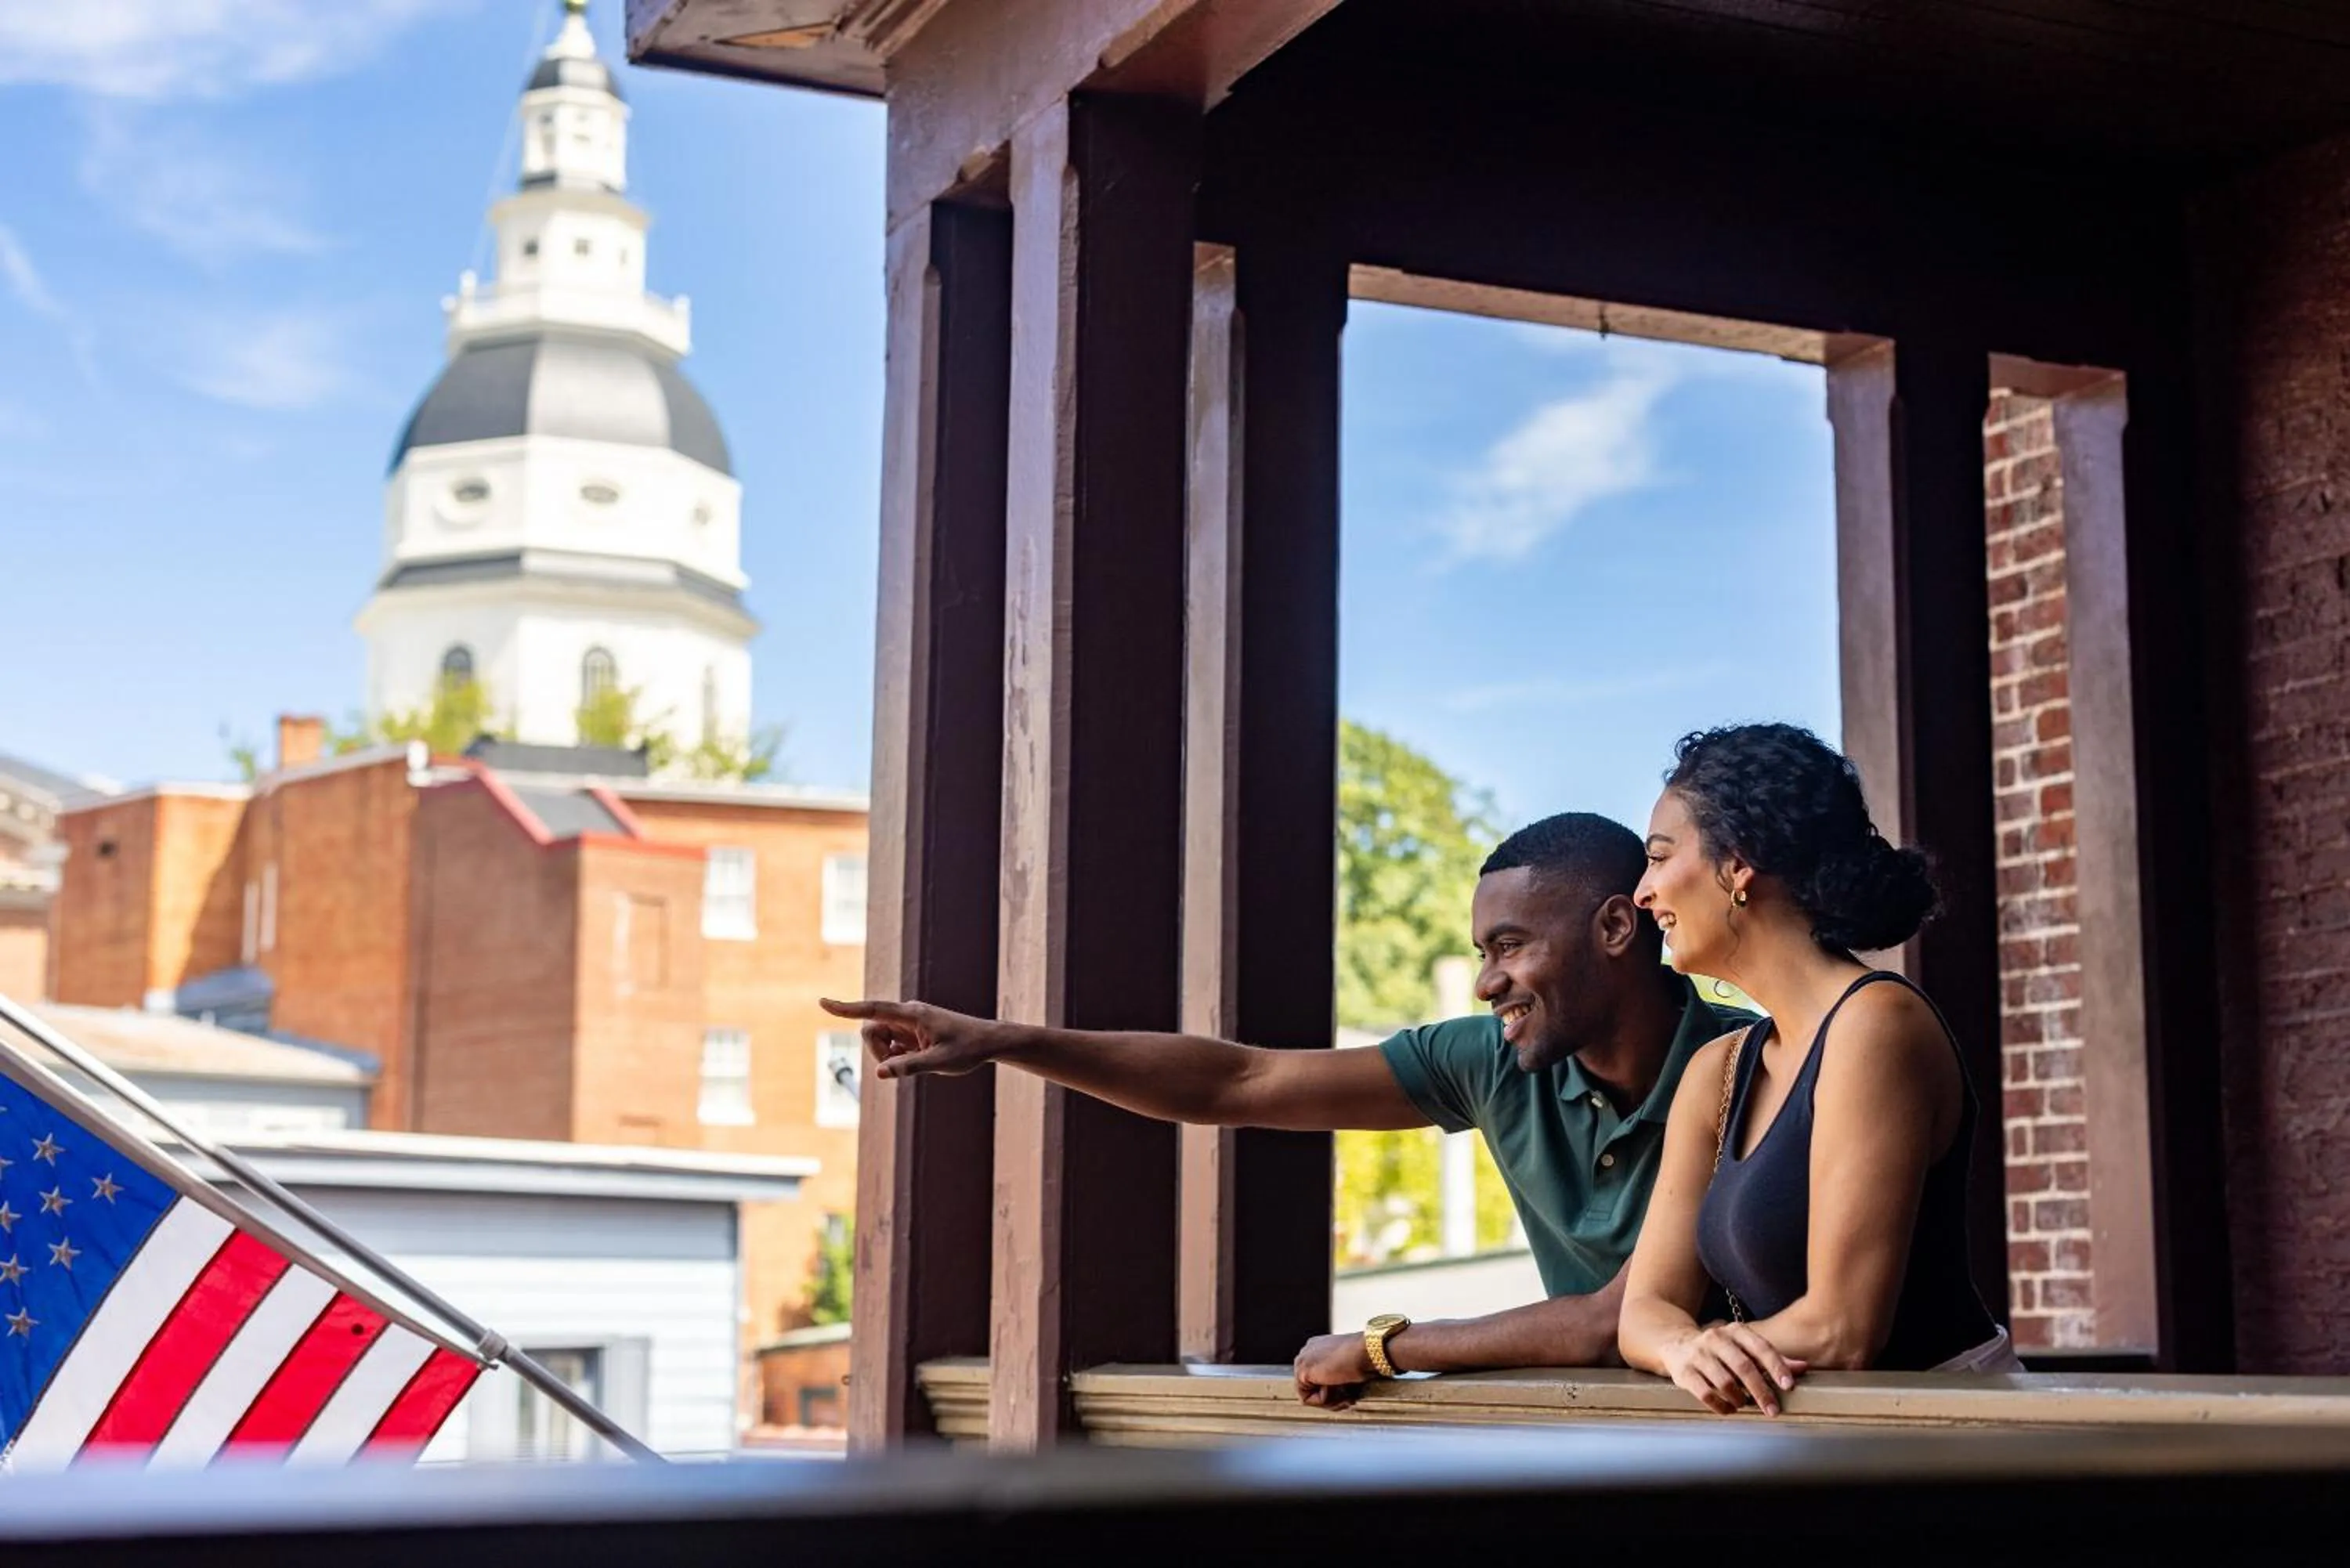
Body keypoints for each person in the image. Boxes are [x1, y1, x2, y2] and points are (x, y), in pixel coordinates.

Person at [822, 812, 1754, 1410]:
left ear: (1617, 927)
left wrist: (1383, 1347)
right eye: (1482, 952)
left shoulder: (1752, 1066)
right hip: (1614, 1437)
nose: (1486, 981)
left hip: (1769, 1444)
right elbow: (1238, 1082)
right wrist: (1006, 1041)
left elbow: (1612, 1319)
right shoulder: (1490, 1062)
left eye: (1510, 946)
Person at [1617, 723, 2016, 1418]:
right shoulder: (1718, 1071)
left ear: (1737, 864)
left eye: (1658, 857)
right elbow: (1643, 1312)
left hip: (1953, 1437)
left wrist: (1703, 1348)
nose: (1643, 893)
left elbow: (1843, 1330)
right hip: (1819, 1442)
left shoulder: (1876, 1025)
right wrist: (1683, 1349)